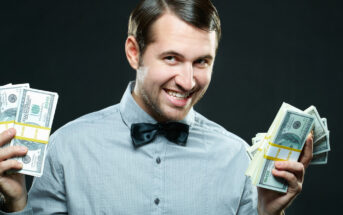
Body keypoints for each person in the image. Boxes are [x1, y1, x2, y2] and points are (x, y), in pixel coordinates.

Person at [0, 0, 313, 214]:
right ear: (134, 53)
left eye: (202, 61)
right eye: (172, 58)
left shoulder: (238, 159)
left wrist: (271, 213)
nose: (188, 81)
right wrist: (16, 203)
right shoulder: (65, 150)